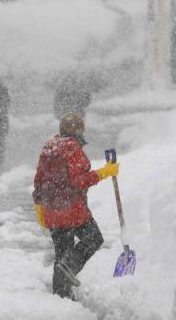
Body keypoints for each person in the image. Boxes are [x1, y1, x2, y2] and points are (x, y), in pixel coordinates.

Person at [32, 113, 119, 299]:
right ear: (79, 131)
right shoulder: (73, 150)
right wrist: (104, 172)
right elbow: (78, 181)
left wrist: (39, 207)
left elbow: (38, 181)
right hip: (72, 211)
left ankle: (61, 297)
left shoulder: (48, 149)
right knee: (93, 239)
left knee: (62, 253)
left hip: (52, 211)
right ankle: (70, 267)